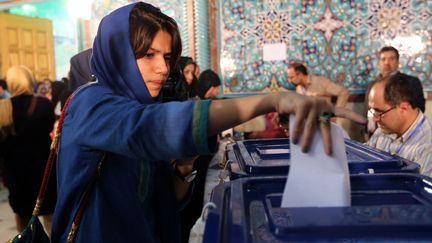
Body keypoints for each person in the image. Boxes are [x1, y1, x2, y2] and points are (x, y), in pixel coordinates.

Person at [51, 2, 365, 242]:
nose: (163, 67)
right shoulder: (88, 103)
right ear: (117, 55)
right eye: (148, 55)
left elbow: (165, 201)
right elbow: (145, 127)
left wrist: (185, 167)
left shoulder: (142, 104)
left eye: (168, 56)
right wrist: (271, 100)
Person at [0, 65, 56, 234]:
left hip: (16, 174)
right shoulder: (44, 104)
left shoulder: (3, 109)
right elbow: (48, 129)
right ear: (30, 80)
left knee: (23, 221)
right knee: (50, 216)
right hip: (43, 169)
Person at [366, 73, 432, 177]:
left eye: (379, 112)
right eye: (373, 111)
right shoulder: (384, 129)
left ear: (403, 108)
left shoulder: (427, 146)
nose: (374, 118)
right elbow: (364, 159)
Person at [365, 46, 425, 139]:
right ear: (379, 63)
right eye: (383, 59)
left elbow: (418, 109)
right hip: (375, 135)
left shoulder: (411, 82)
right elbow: (369, 110)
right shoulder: (372, 85)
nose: (387, 62)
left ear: (398, 62)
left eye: (391, 59)